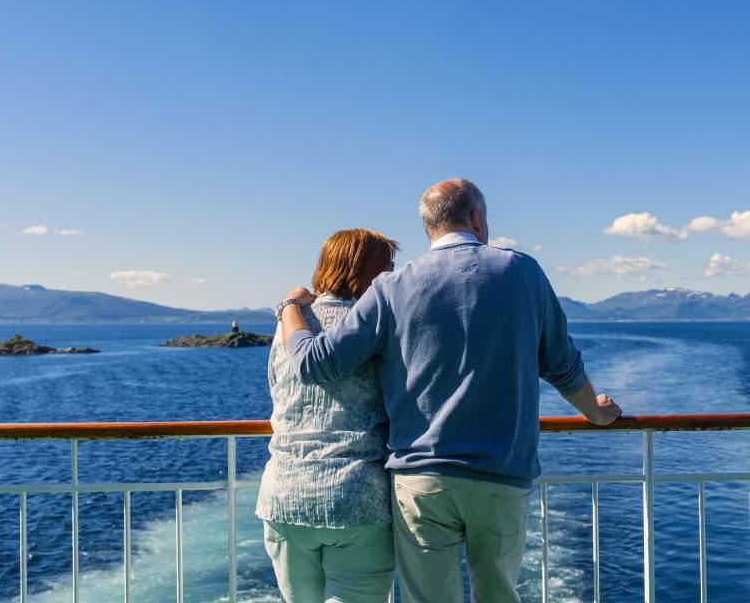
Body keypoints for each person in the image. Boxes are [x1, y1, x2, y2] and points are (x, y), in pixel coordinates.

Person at [278, 179, 621, 603]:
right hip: (502, 472)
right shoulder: (523, 272)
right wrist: (596, 412)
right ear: (476, 217)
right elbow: (562, 364)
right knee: (498, 594)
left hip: (421, 479)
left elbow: (317, 364)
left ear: (428, 227)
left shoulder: (391, 287)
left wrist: (288, 308)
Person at [257, 228, 399, 603]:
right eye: (387, 267)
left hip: (285, 493)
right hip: (356, 497)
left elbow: (276, 386)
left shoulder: (289, 323)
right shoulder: (379, 324)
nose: (393, 276)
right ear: (368, 271)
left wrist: (289, 303)